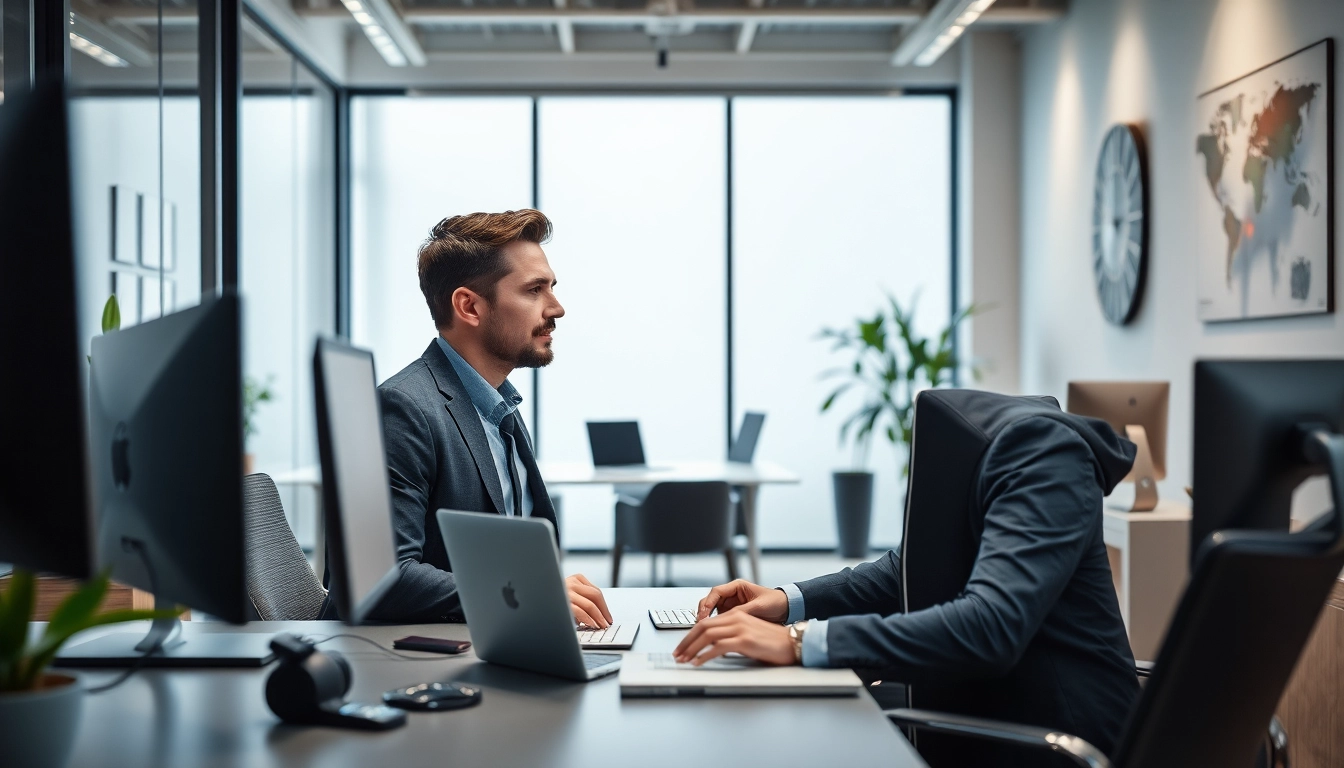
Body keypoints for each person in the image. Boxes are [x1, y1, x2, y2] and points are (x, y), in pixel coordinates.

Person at [674, 390, 1142, 762]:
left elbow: (990, 627)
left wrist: (799, 642)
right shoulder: (980, 452)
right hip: (987, 700)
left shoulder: (1042, 457)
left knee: (800, 733)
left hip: (1057, 737)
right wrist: (787, 600)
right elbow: (904, 570)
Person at [366, 208, 611, 628]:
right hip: (423, 665)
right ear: (470, 307)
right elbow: (384, 576)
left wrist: (541, 595)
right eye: (535, 290)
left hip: (505, 638)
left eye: (551, 288)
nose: (557, 308)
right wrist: (528, 591)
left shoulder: (499, 409)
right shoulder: (403, 408)